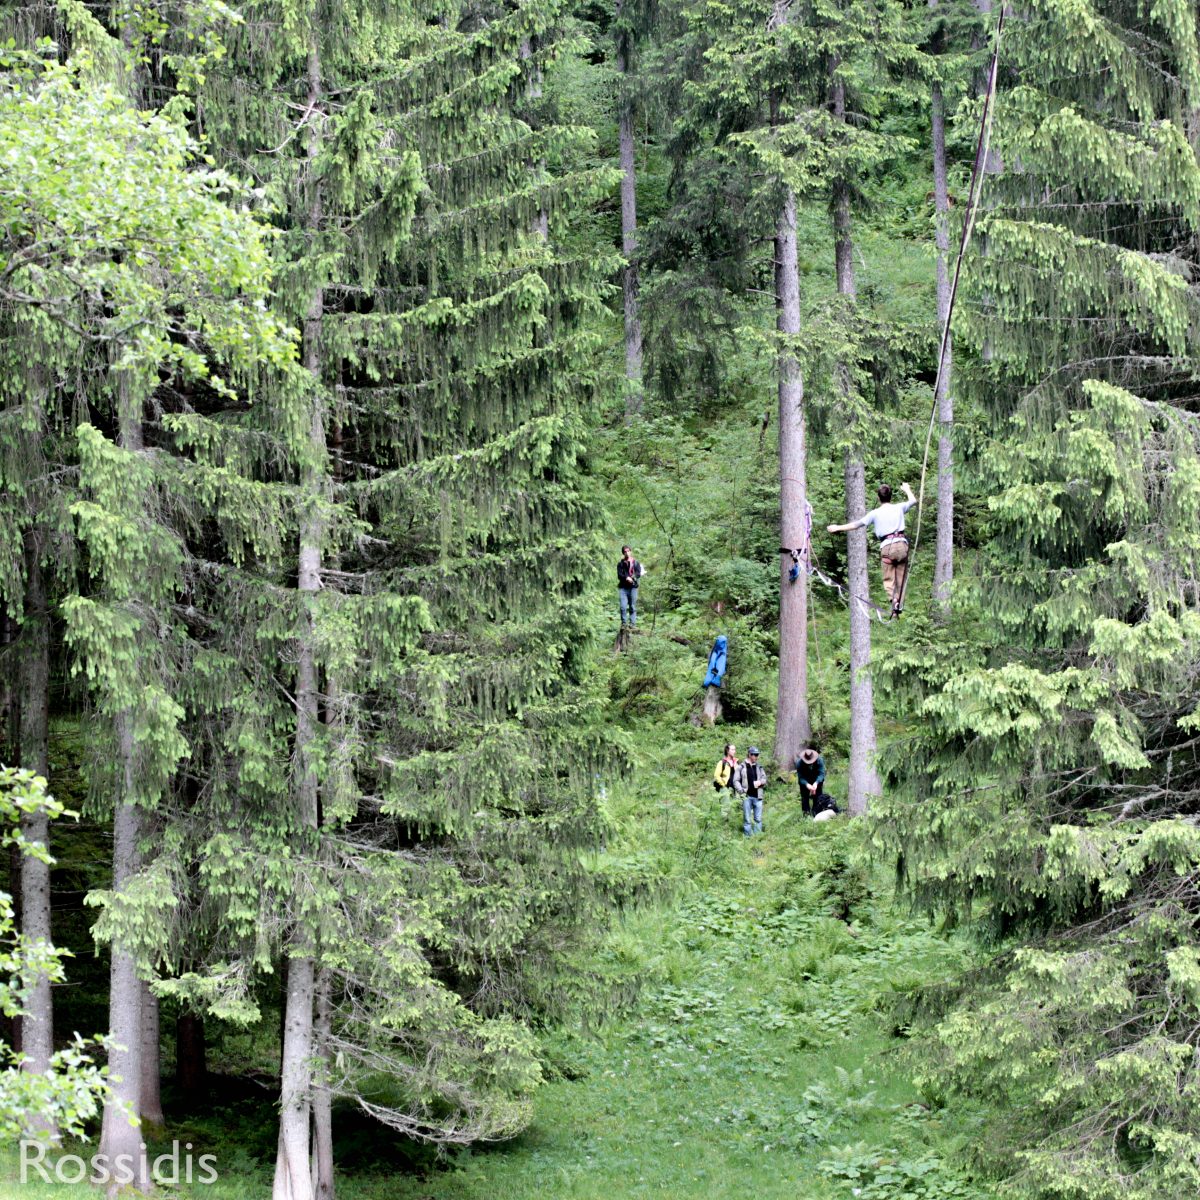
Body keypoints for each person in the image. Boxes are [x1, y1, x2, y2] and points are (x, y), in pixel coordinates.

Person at [826, 481, 917, 614]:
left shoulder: (875, 513)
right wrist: (907, 489)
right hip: (902, 546)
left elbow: (856, 525)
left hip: (887, 547)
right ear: (890, 496)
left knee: (889, 578)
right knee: (901, 577)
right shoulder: (899, 507)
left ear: (878, 498)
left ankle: (894, 601)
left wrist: (837, 528)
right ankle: (899, 603)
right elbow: (913, 501)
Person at [739, 746, 767, 836]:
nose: (756, 756)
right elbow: (735, 780)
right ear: (749, 755)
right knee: (747, 819)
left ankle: (757, 837)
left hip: (758, 796)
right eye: (754, 755)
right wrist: (741, 790)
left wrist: (760, 782)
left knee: (758, 818)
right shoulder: (742, 766)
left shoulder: (759, 767)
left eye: (757, 755)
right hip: (746, 796)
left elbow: (764, 779)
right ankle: (747, 837)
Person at [794, 745, 826, 817]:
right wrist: (807, 784)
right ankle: (806, 816)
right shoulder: (799, 763)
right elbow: (800, 777)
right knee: (805, 799)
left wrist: (816, 783)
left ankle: (816, 814)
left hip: (817, 781)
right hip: (805, 782)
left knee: (818, 798)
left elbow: (821, 774)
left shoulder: (819, 760)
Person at [617, 544, 644, 628]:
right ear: (623, 553)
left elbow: (638, 573)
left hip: (633, 587)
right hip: (623, 588)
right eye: (625, 552)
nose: (627, 553)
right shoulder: (620, 564)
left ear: (630, 551)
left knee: (632, 606)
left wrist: (632, 578)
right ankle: (624, 623)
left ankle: (632, 624)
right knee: (623, 607)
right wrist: (626, 578)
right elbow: (619, 575)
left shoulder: (636, 563)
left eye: (628, 551)